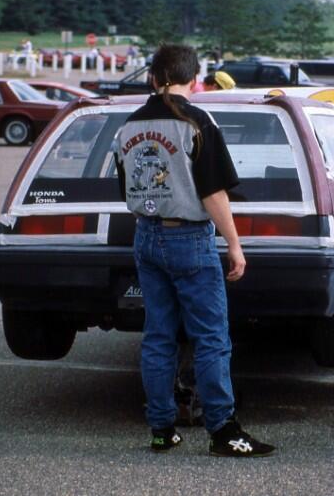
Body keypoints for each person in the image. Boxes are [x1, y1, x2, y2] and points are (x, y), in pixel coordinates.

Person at [114, 44, 275, 457]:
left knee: (158, 337)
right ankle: (223, 429)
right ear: (195, 81)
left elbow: (126, 188)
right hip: (189, 238)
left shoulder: (127, 127)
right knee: (210, 338)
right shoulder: (197, 122)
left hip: (146, 236)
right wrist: (235, 245)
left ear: (152, 78)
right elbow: (214, 192)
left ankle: (161, 428)